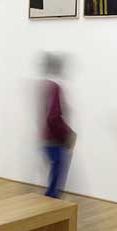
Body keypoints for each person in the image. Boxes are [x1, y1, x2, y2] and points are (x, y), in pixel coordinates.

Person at [41, 53, 76, 199]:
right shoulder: (54, 87)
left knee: (55, 178)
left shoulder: (44, 86)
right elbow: (53, 117)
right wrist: (68, 135)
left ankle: (51, 203)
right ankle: (51, 204)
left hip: (48, 138)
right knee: (55, 185)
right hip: (54, 139)